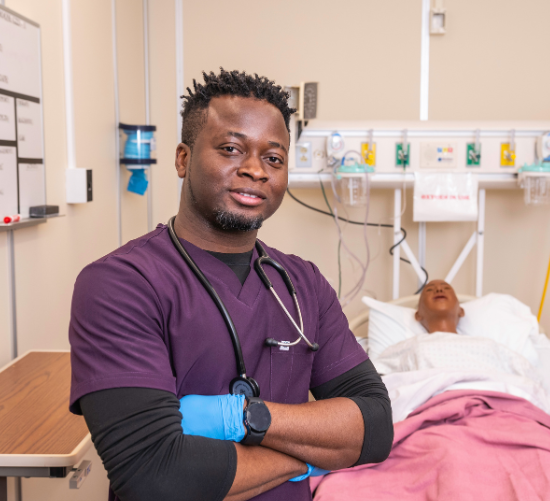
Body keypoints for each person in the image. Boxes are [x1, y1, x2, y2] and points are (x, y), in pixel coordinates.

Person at [69, 69, 393, 501]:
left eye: (274, 159)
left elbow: (374, 426)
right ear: (183, 159)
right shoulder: (120, 284)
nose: (256, 170)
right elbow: (156, 477)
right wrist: (312, 456)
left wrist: (240, 417)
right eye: (231, 149)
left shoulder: (304, 285)